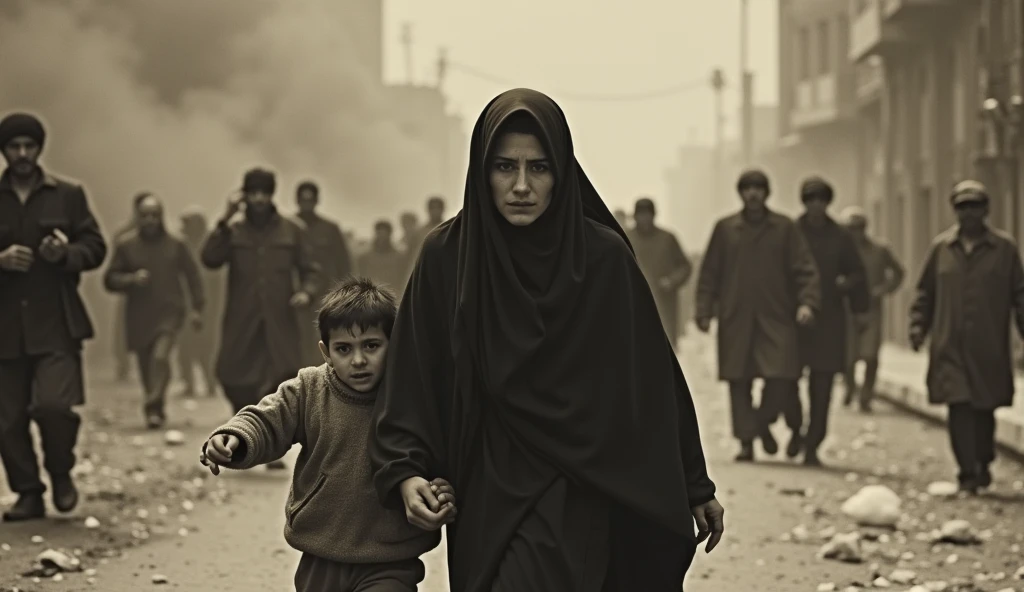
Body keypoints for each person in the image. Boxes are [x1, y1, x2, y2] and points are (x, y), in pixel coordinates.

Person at [369, 89, 724, 592]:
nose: (520, 186)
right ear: (480, 170)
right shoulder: (448, 259)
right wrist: (406, 473)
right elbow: (412, 379)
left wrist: (694, 483)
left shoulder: (603, 261)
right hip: (485, 486)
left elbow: (653, 380)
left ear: (562, 172)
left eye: (538, 168)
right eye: (504, 167)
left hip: (585, 484)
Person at [200, 278, 452, 591]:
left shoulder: (414, 395)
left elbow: (441, 454)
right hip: (321, 553)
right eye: (344, 349)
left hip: (390, 560)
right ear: (326, 351)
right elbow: (266, 420)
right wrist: (234, 438)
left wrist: (439, 489)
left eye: (371, 345)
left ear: (395, 342)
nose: (358, 360)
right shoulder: (310, 389)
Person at [0, 112, 107, 521]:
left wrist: (65, 254)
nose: (23, 154)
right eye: (14, 147)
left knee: (53, 406)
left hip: (56, 325)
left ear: (40, 148)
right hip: (5, 328)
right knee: (7, 420)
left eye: (29, 146)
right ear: (4, 151)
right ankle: (28, 492)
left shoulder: (67, 194)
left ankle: (61, 471)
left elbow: (96, 246)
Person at [695, 169, 821, 462]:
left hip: (777, 317)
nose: (753, 194)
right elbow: (709, 273)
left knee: (781, 376)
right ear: (740, 193)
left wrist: (808, 303)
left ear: (767, 193)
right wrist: (704, 310)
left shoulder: (785, 228)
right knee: (739, 381)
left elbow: (805, 269)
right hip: (735, 318)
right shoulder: (725, 229)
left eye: (758, 188)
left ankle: (762, 423)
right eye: (747, 188)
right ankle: (746, 442)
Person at [200, 168, 320, 472]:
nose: (258, 200)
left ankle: (269, 443)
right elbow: (210, 259)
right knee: (230, 374)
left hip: (279, 319)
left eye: (264, 193)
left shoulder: (293, 230)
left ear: (272, 194)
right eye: (253, 193)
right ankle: (243, 422)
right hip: (242, 317)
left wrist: (305, 292)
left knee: (281, 376)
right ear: (244, 195)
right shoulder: (234, 229)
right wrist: (224, 219)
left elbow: (311, 270)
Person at [909, 180, 1024, 493]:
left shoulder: (1004, 249)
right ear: (954, 212)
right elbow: (925, 294)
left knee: (983, 408)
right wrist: (918, 326)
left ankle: (983, 458)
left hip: (988, 345)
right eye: (962, 207)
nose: (968, 213)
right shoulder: (941, 249)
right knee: (958, 406)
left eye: (974, 206)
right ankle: (966, 471)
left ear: (986, 210)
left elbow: (1020, 295)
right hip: (949, 343)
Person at [103, 193, 205, 428]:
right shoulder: (126, 246)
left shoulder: (176, 244)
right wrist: (131, 279)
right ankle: (156, 409)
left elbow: (192, 276)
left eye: (155, 215)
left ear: (162, 217)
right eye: (145, 216)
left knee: (160, 356)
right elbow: (109, 279)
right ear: (137, 218)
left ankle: (152, 403)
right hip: (139, 314)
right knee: (146, 362)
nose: (150, 221)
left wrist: (197, 308)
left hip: (170, 311)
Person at [788, 178, 869, 466]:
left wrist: (847, 289)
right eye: (810, 200)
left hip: (830, 320)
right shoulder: (791, 232)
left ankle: (813, 444)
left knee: (822, 387)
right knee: (787, 383)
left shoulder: (841, 237)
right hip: (795, 319)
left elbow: (858, 274)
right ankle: (795, 428)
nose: (816, 206)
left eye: (821, 200)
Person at [840, 206, 905, 412]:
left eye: (858, 227)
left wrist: (884, 289)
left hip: (871, 308)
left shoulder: (879, 250)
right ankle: (849, 386)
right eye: (850, 228)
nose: (855, 232)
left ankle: (866, 395)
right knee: (848, 355)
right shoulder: (840, 252)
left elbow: (898, 272)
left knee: (870, 355)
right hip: (847, 308)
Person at [293, 180, 353, 366]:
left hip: (326, 295)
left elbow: (344, 265)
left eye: (310, 200)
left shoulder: (330, 229)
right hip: (296, 294)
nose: (307, 204)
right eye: (303, 200)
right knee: (297, 340)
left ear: (317, 201)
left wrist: (345, 294)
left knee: (324, 338)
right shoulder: (289, 228)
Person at [626, 197, 692, 350]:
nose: (644, 218)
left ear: (654, 215)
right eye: (640, 214)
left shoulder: (667, 238)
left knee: (663, 349)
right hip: (631, 303)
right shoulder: (625, 238)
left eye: (647, 214)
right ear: (634, 216)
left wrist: (671, 281)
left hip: (664, 304)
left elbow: (684, 266)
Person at [176, 207, 222, 397]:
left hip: (207, 306)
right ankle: (191, 384)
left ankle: (209, 383)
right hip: (188, 305)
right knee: (187, 348)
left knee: (205, 348)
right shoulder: (183, 247)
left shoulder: (208, 248)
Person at [356, 220, 409, 299]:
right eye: (379, 233)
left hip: (393, 297)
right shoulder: (364, 258)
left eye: (384, 234)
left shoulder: (400, 258)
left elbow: (403, 281)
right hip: (370, 299)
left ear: (389, 235)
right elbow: (360, 279)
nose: (382, 237)